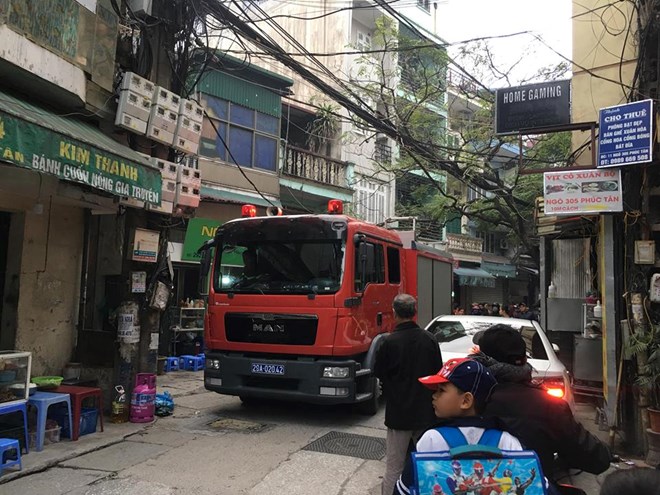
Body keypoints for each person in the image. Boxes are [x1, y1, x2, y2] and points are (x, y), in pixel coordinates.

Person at [469, 324, 612, 481]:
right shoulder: (548, 406)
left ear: (481, 359)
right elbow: (597, 458)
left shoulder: (463, 399)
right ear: (524, 359)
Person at [394, 357, 526, 495]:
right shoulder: (507, 440)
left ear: (466, 400)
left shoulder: (433, 439)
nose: (434, 396)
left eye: (441, 390)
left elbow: (403, 490)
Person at [374, 293, 444, 495]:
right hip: (425, 414)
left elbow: (380, 373)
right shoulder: (429, 340)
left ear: (394, 313)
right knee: (427, 464)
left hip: (398, 414)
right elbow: (437, 374)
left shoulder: (389, 342)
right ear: (415, 312)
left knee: (393, 468)